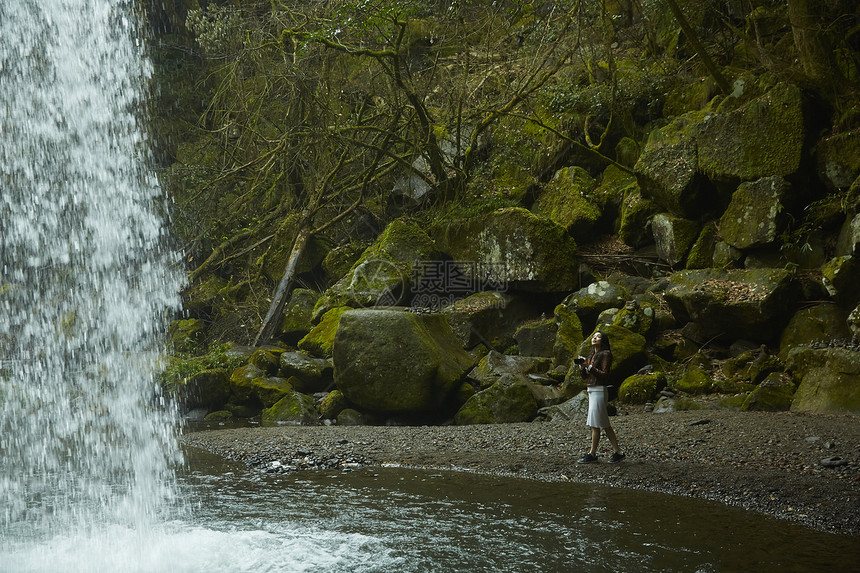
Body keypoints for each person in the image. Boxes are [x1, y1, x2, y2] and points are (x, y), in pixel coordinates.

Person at [576, 330, 625, 464]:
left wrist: (589, 366)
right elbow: (586, 376)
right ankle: (617, 452)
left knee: (597, 423)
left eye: (598, 337)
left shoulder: (606, 354)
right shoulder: (592, 354)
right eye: (593, 336)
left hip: (599, 390)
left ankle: (593, 454)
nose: (594, 338)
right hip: (591, 389)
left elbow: (604, 374)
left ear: (603, 340)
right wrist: (583, 367)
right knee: (600, 423)